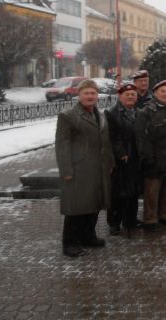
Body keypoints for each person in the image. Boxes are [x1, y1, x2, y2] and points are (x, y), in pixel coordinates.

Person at [56, 79, 114, 257]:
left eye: (93, 93)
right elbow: (62, 145)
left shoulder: (100, 114)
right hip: (79, 168)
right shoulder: (68, 116)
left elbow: (106, 141)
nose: (90, 96)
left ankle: (88, 235)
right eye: (86, 93)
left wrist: (110, 162)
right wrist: (66, 170)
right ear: (79, 95)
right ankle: (70, 242)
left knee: (94, 204)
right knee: (76, 207)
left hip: (98, 168)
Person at [135, 80, 166, 231]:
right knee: (152, 192)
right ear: (155, 93)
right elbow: (141, 137)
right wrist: (147, 157)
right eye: (162, 91)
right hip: (154, 158)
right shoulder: (146, 111)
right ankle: (150, 220)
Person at [104, 83, 142, 237]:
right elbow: (113, 136)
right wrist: (121, 153)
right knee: (118, 192)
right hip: (121, 158)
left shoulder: (138, 112)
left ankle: (130, 220)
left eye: (133, 94)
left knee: (133, 191)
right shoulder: (112, 113)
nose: (130, 97)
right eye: (127, 94)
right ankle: (114, 223)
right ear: (120, 96)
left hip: (135, 156)